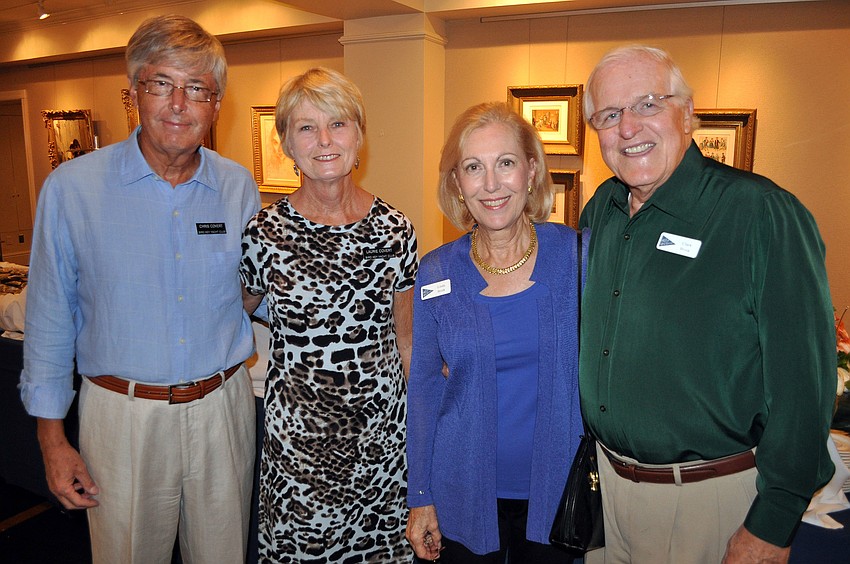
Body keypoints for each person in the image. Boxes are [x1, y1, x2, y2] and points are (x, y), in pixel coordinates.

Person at [579, 45, 835, 564]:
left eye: (648, 104)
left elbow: (804, 382)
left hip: (708, 503)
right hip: (605, 495)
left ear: (689, 113)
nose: (628, 127)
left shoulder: (761, 214)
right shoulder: (600, 211)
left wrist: (773, 521)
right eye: (609, 114)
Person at [20, 15, 260, 563]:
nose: (178, 105)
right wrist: (52, 441)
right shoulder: (72, 189)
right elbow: (50, 321)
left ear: (215, 104)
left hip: (222, 411)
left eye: (196, 89)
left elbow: (258, 292)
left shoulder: (236, 187)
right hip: (120, 418)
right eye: (161, 84)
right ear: (131, 95)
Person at [240, 66, 418, 561]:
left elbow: (407, 345)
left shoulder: (395, 230)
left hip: (381, 450)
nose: (324, 140)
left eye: (337, 124)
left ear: (359, 135)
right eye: (305, 127)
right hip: (300, 458)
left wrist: (423, 445)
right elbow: (234, 315)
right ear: (286, 144)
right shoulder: (264, 233)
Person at [406, 101, 584, 563]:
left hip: (559, 495)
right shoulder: (436, 273)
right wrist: (420, 496)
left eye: (505, 163)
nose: (491, 184)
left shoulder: (578, 258)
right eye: (473, 168)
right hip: (461, 491)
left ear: (530, 171)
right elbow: (424, 390)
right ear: (457, 184)